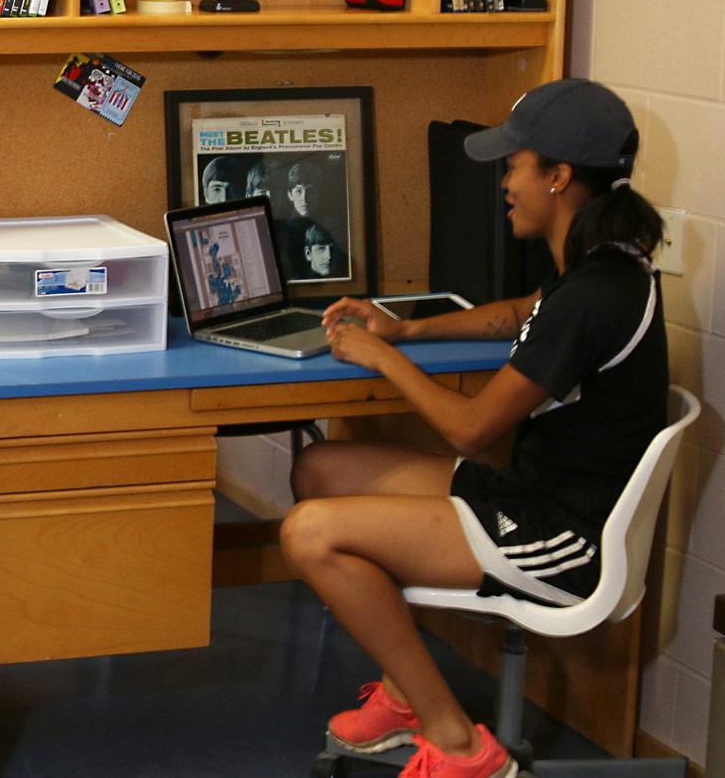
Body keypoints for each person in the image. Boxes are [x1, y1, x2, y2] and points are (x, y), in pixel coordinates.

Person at [280, 78, 667, 778]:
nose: (504, 184)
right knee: (320, 469)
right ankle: (405, 693)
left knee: (308, 531)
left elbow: (467, 430)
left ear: (559, 177)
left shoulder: (593, 296)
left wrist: (381, 355)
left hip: (561, 536)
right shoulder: (604, 265)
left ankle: (459, 743)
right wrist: (407, 325)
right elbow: (519, 310)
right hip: (532, 494)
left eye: (515, 166)